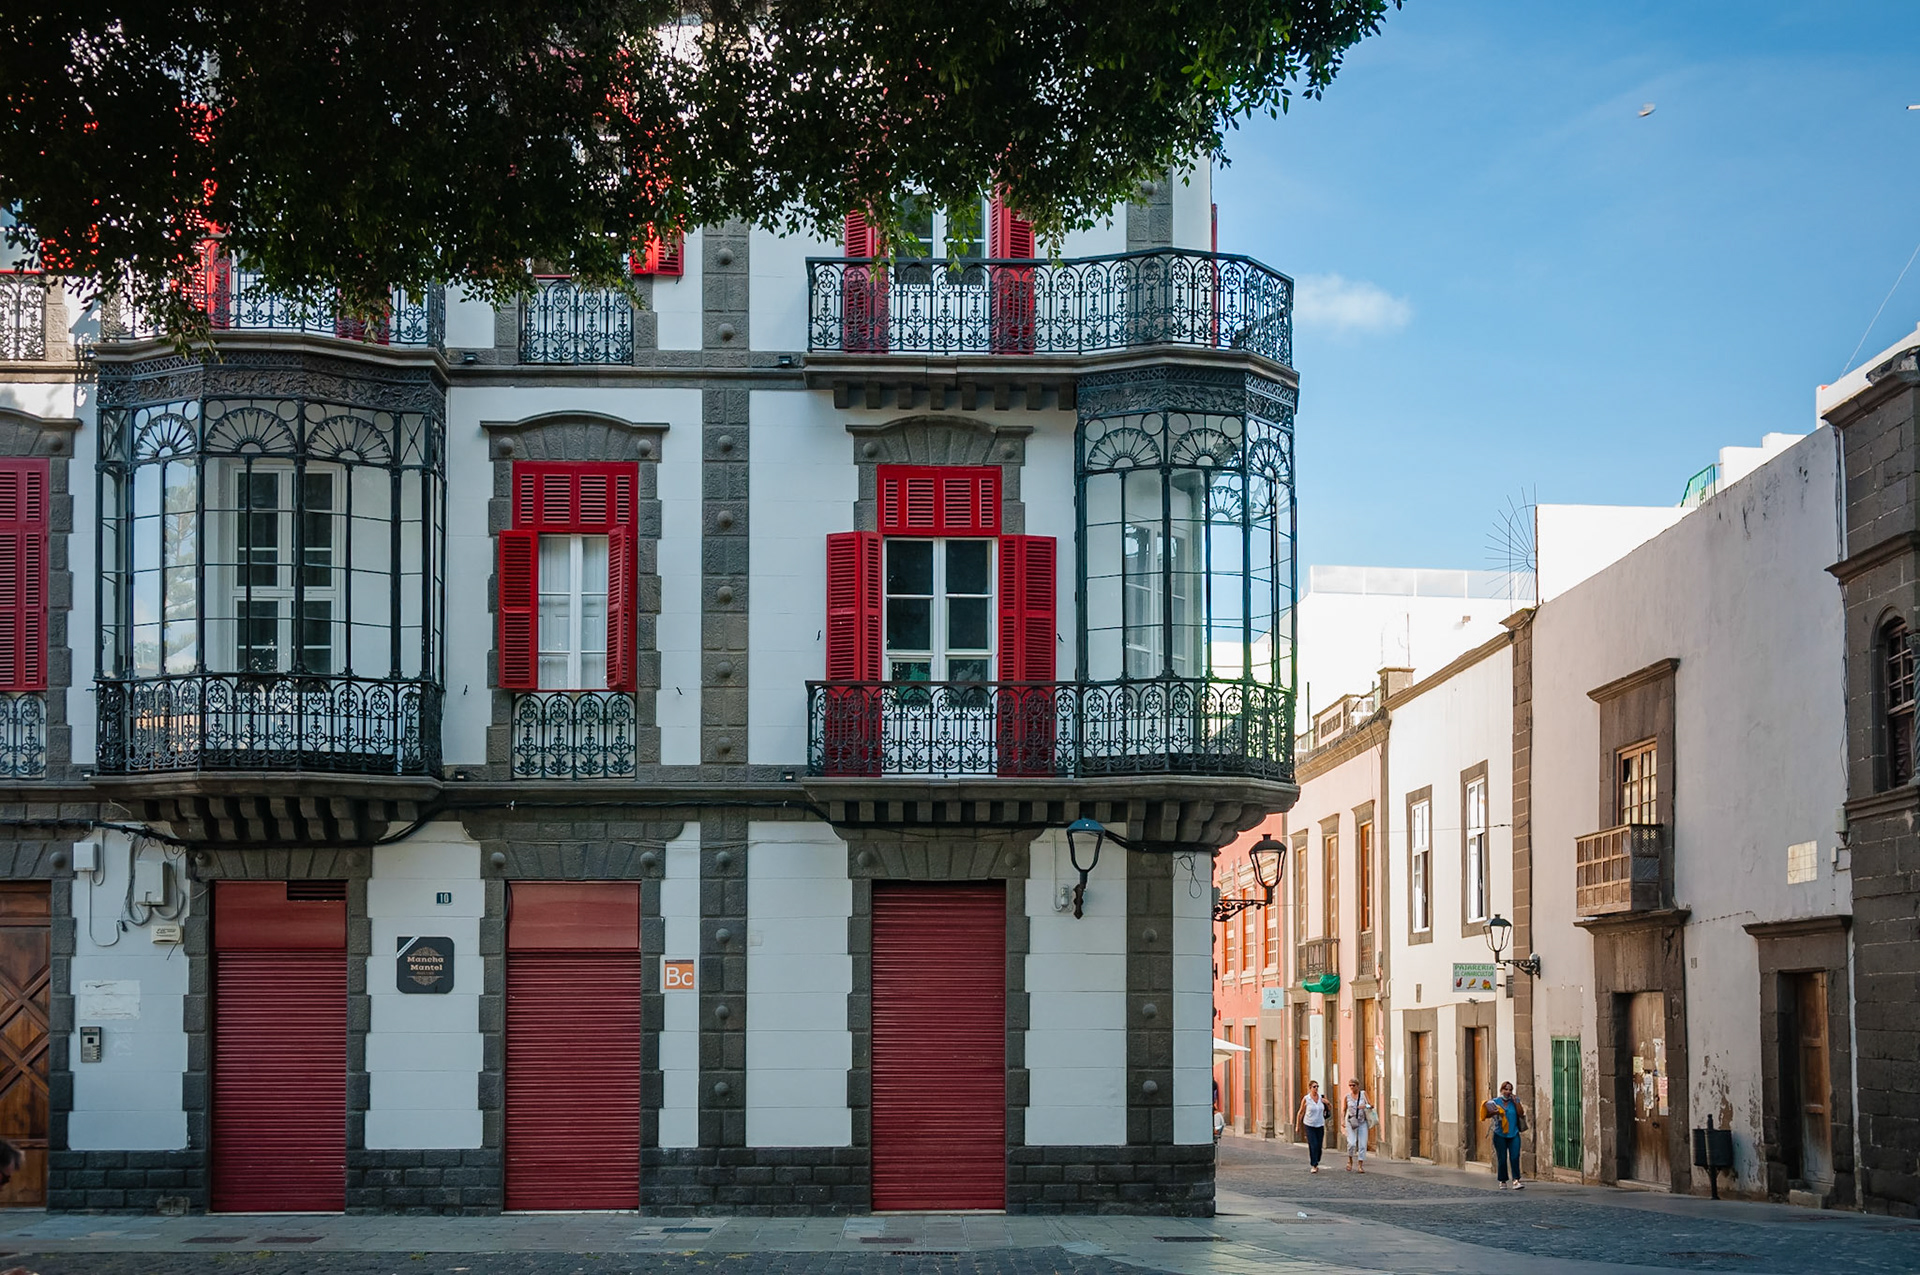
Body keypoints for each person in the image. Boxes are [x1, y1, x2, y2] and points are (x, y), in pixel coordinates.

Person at [1483, 1080, 1525, 1189]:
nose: (1508, 1091)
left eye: (1510, 1089)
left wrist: (1517, 1103)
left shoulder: (1515, 1101)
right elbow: (1487, 1115)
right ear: (1501, 1090)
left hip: (1514, 1132)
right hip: (1499, 1133)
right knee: (1502, 1158)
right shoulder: (1495, 1101)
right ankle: (1503, 1180)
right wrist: (1495, 1112)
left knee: (1515, 1156)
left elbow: (1521, 1113)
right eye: (1506, 1089)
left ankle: (1516, 1180)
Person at [1296, 1080, 1329, 1173]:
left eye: (1317, 1086)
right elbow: (1301, 1112)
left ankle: (1317, 1160)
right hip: (1309, 1124)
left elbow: (1328, 1109)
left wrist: (1327, 1103)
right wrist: (1297, 1125)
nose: (1316, 1088)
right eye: (1314, 1087)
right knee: (1313, 1144)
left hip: (1320, 1124)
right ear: (1310, 1088)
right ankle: (1314, 1165)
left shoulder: (1321, 1098)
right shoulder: (1306, 1099)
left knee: (1319, 1146)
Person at [1343, 1077, 1375, 1172]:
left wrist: (1365, 1106)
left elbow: (1371, 1105)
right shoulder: (1347, 1097)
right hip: (1351, 1122)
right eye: (1350, 1085)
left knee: (1362, 1144)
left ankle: (1360, 1165)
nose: (1352, 1087)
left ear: (1358, 1085)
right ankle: (1350, 1159)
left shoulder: (1363, 1094)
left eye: (1353, 1085)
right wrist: (1342, 1120)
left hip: (1362, 1122)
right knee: (1352, 1143)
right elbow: (1344, 1110)